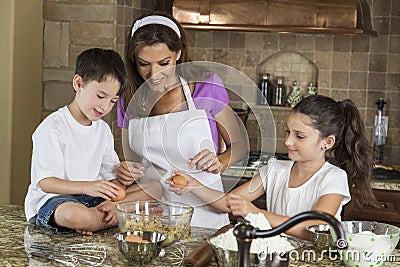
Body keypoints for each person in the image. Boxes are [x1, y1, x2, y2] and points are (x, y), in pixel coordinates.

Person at [168, 95, 377, 239]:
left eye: (299, 136)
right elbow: (229, 203)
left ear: (327, 142)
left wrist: (256, 214)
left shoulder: (333, 178)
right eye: (288, 132)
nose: (288, 141)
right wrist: (192, 185)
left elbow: (315, 228)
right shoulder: (276, 169)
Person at [116, 13, 247, 229]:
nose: (154, 73)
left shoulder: (207, 86)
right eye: (144, 64)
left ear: (178, 53)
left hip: (203, 216)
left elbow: (239, 146)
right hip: (150, 216)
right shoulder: (128, 99)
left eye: (163, 63)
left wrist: (220, 161)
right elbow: (133, 165)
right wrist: (124, 171)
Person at [24, 48, 161, 236]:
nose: (105, 106)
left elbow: (113, 179)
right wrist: (87, 186)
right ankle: (122, 217)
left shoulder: (103, 130)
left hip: (92, 198)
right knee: (76, 215)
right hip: (55, 201)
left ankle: (108, 215)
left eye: (113, 101)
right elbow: (47, 183)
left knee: (154, 188)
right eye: (100, 96)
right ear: (78, 83)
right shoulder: (53, 128)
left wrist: (118, 188)